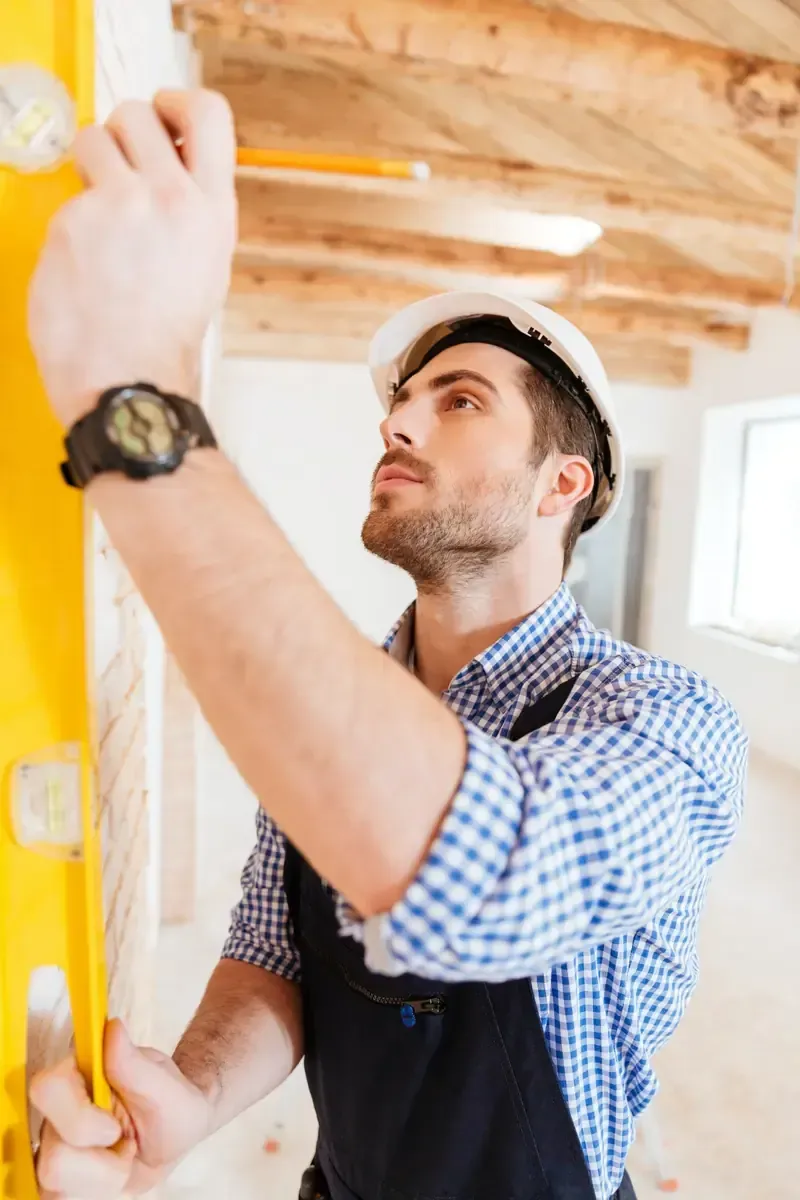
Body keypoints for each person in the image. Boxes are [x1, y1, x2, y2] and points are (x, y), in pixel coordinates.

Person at [26, 90, 747, 1200]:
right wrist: (196, 1094)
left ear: (564, 484)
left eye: (456, 402)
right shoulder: (344, 703)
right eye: (400, 401)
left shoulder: (666, 720)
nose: (395, 425)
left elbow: (487, 876)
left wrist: (137, 403)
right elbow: (273, 955)